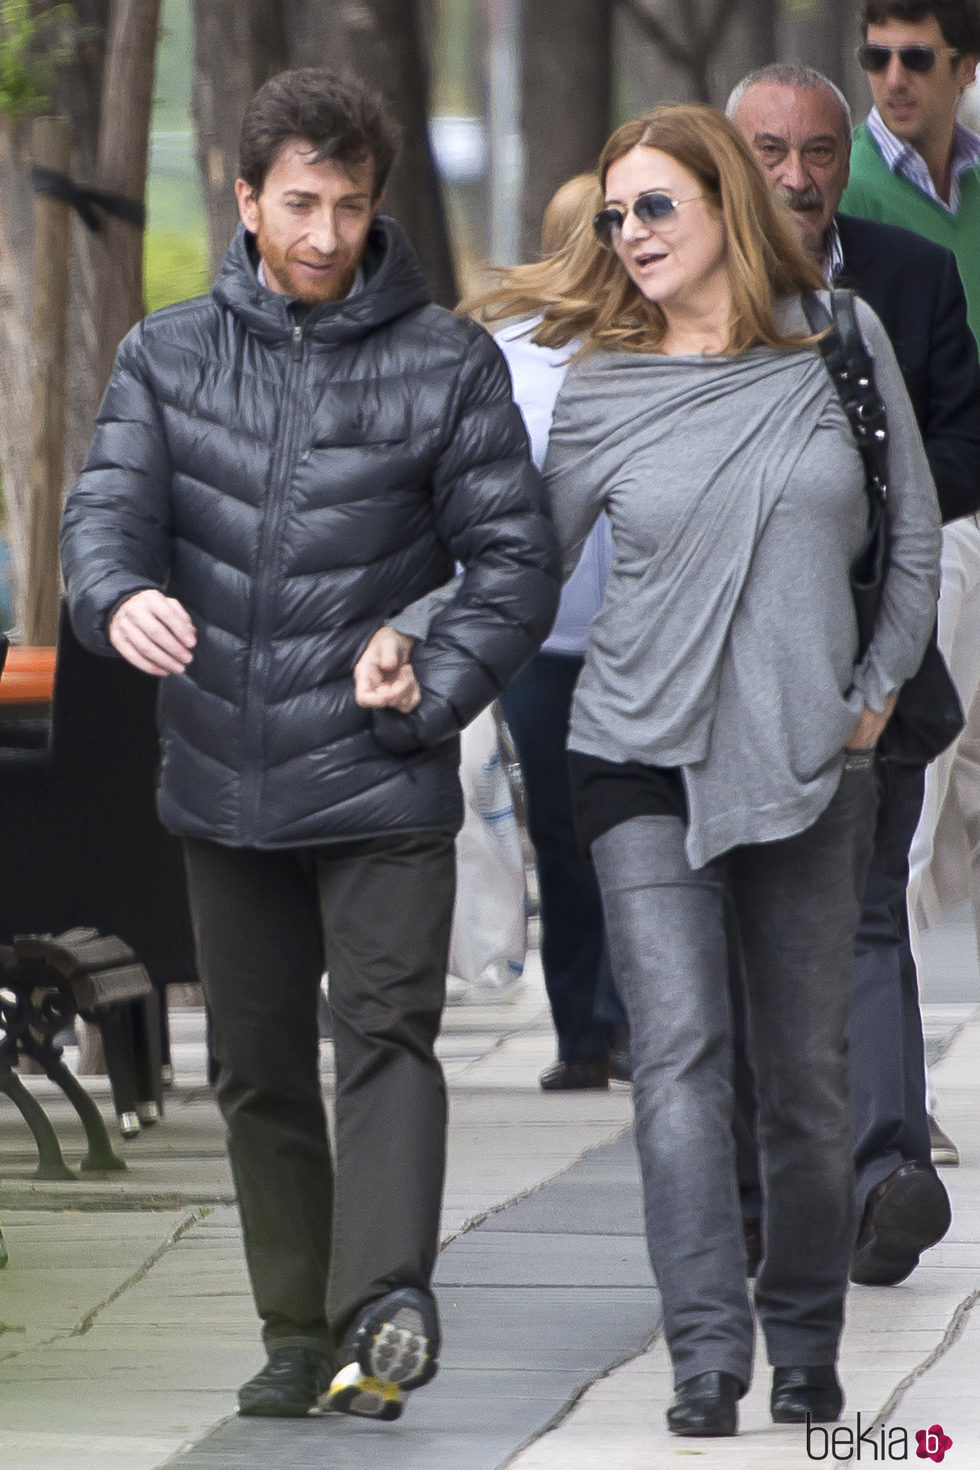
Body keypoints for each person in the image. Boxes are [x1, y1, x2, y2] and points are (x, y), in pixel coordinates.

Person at [359, 104, 941, 1437]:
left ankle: (803, 1338)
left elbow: (909, 543)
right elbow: (523, 565)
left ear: (726, 202)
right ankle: (704, 1354)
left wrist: (871, 696)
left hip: (808, 759)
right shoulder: (606, 383)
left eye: (654, 207)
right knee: (679, 1055)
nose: (628, 235)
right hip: (636, 754)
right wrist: (411, 629)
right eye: (615, 215)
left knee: (803, 1075)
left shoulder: (842, 346)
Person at [60, 67, 559, 1424]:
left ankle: (387, 1302)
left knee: (387, 1034)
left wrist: (435, 665)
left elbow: (517, 562)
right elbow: (103, 517)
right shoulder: (167, 354)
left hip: (383, 768)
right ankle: (297, 1328)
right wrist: (123, 597)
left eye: (348, 204)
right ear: (246, 199)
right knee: (260, 1065)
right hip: (223, 774)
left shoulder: (445, 360)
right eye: (300, 203)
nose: (326, 233)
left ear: (376, 203)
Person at [728, 61, 980, 1285]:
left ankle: (886, 1177)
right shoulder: (673, 289)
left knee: (869, 911)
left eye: (817, 150)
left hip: (875, 657)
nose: (794, 174)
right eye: (767, 149)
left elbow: (963, 447)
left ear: (845, 161)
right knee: (745, 930)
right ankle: (759, 1192)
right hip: (724, 680)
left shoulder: (910, 281)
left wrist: (874, 543)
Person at [841, 0, 980, 1176]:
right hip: (925, 539)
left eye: (914, 58)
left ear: (963, 70)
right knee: (914, 805)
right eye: (874, 57)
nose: (891, 77)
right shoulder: (832, 201)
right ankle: (893, 1087)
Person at [496, 173, 629, 1089]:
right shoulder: (510, 355)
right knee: (562, 834)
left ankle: (639, 1020)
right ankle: (583, 1031)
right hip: (544, 642)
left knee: (638, 830)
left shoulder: (663, 344)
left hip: (647, 638)